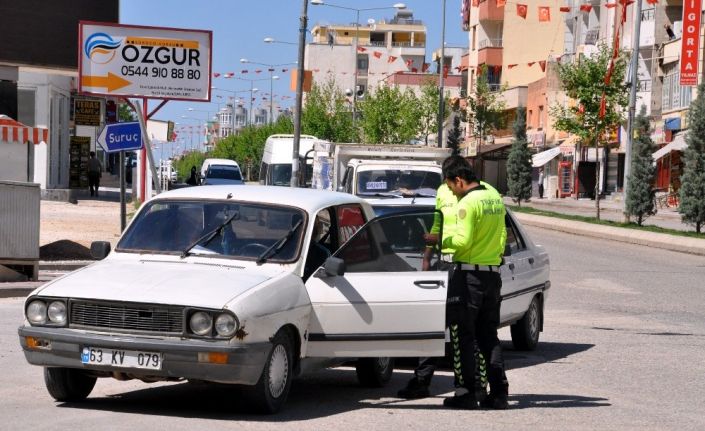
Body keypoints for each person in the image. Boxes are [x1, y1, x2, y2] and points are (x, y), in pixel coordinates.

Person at [397, 156, 488, 402]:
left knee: (465, 330)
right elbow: (437, 223)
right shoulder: (442, 191)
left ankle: (471, 386)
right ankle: (422, 380)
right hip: (445, 264)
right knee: (434, 324)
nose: (449, 187)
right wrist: (427, 258)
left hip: (468, 266)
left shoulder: (481, 194)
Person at [438, 157, 508, 410]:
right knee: (489, 336)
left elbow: (463, 241)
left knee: (465, 337)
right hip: (492, 274)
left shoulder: (468, 202)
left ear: (459, 180)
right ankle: (499, 393)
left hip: (469, 277)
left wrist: (439, 240)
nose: (450, 192)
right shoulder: (494, 197)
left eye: (450, 186)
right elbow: (502, 235)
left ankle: (467, 393)